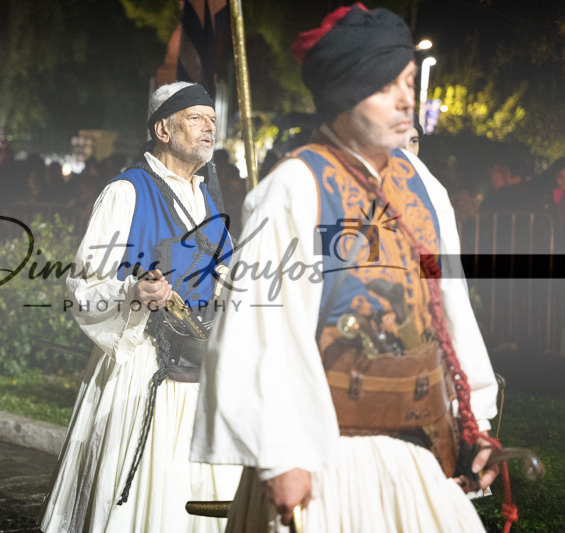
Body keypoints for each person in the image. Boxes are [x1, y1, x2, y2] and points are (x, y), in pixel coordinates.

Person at [191, 5, 507, 532]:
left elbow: (448, 307)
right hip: (325, 459)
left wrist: (472, 419)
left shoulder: (423, 186)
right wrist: (281, 456)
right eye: (385, 86)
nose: (406, 99)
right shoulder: (295, 186)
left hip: (420, 457)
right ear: (342, 92)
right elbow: (257, 330)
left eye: (408, 82)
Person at [38, 81, 241, 533]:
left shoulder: (207, 197)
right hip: (142, 365)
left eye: (212, 119)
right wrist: (133, 291)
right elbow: (84, 286)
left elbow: (226, 273)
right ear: (163, 130)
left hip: (200, 368)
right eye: (196, 118)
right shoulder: (126, 192)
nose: (209, 127)